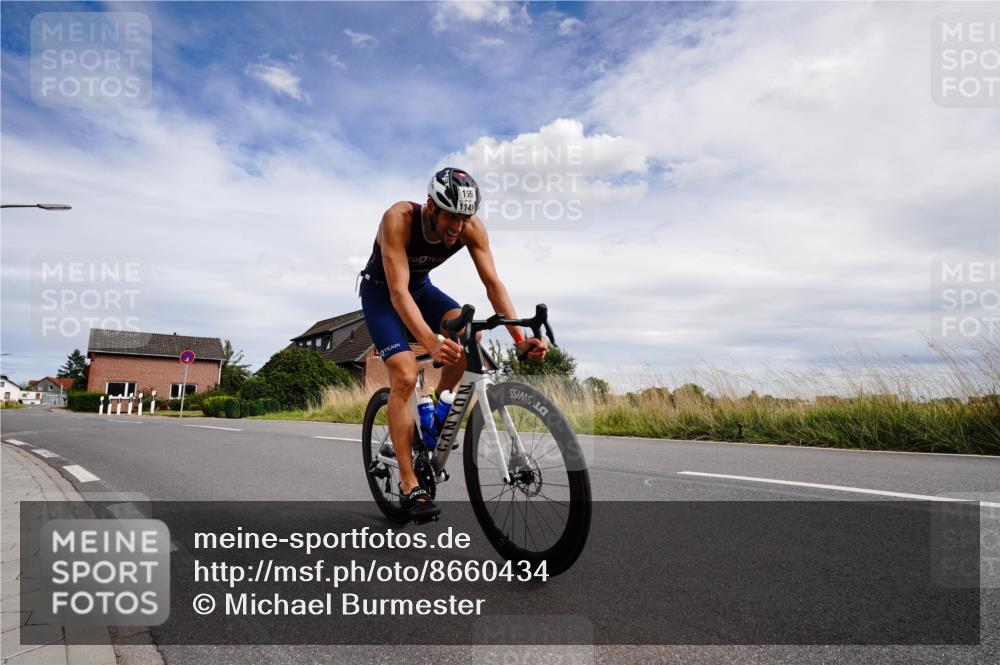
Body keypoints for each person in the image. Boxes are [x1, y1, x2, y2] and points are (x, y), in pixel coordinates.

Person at [358, 167, 548, 521]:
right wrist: (430, 342)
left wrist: (520, 340)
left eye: (464, 219)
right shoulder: (398, 218)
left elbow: (493, 283)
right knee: (404, 373)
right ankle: (407, 482)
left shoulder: (470, 228)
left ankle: (434, 412)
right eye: (451, 218)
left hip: (421, 291)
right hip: (383, 295)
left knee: (470, 337)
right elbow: (398, 293)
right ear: (431, 206)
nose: (457, 228)